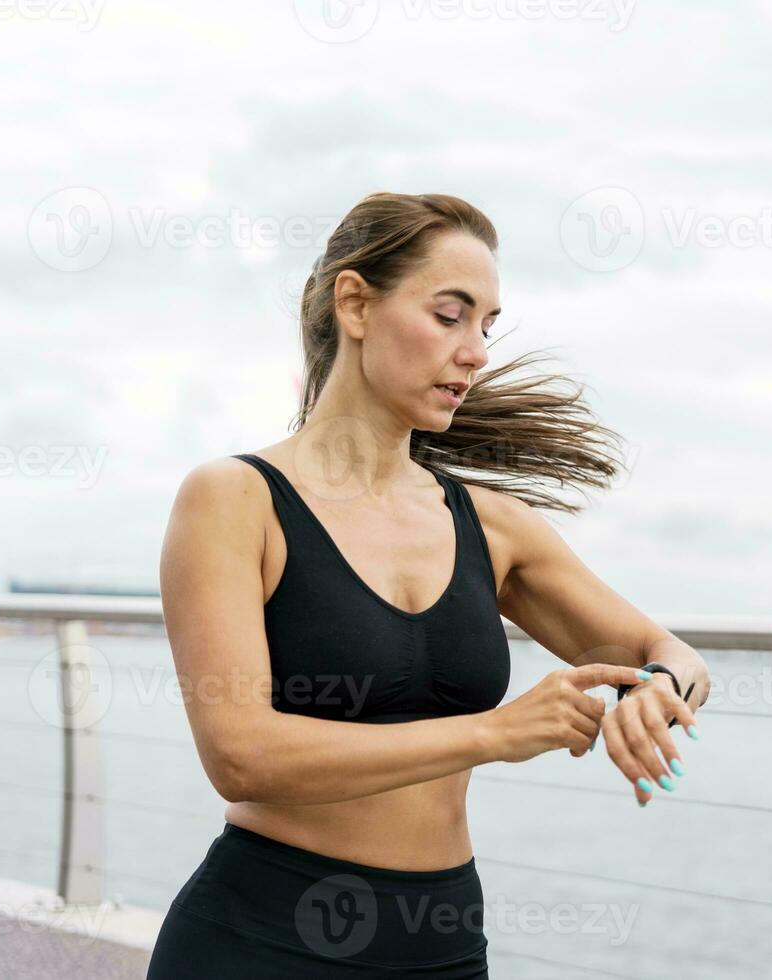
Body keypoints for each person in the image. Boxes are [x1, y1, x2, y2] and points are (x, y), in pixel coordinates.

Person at [147, 192, 710, 977]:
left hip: (441, 944)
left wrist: (655, 687)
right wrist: (495, 733)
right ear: (355, 303)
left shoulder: (492, 525)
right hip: (261, 937)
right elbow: (240, 756)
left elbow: (672, 652)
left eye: (487, 325)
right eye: (451, 316)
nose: (476, 351)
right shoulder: (235, 500)